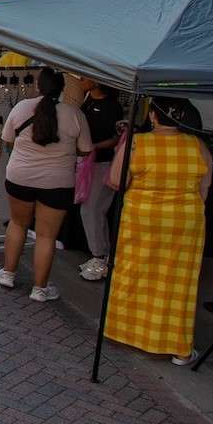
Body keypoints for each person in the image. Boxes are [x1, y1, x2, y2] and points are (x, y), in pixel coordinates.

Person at [105, 99, 212, 364]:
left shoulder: (137, 143)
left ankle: (125, 332)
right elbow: (204, 187)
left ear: (153, 116)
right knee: (178, 282)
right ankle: (178, 347)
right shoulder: (197, 145)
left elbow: (117, 181)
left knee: (133, 272)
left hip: (141, 219)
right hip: (185, 221)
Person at [0, 67, 92, 302]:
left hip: (20, 177)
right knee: (46, 236)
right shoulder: (74, 114)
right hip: (57, 182)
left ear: (38, 86)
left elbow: (7, 139)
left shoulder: (22, 108)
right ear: (62, 88)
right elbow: (86, 149)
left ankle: (8, 273)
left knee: (17, 223)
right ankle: (39, 289)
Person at [77, 78, 129, 281]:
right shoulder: (87, 99)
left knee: (92, 210)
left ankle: (100, 258)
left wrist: (93, 147)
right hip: (88, 164)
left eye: (85, 77)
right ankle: (100, 256)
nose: (81, 80)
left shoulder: (111, 107)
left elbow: (115, 139)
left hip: (104, 164)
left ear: (97, 82)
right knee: (92, 210)